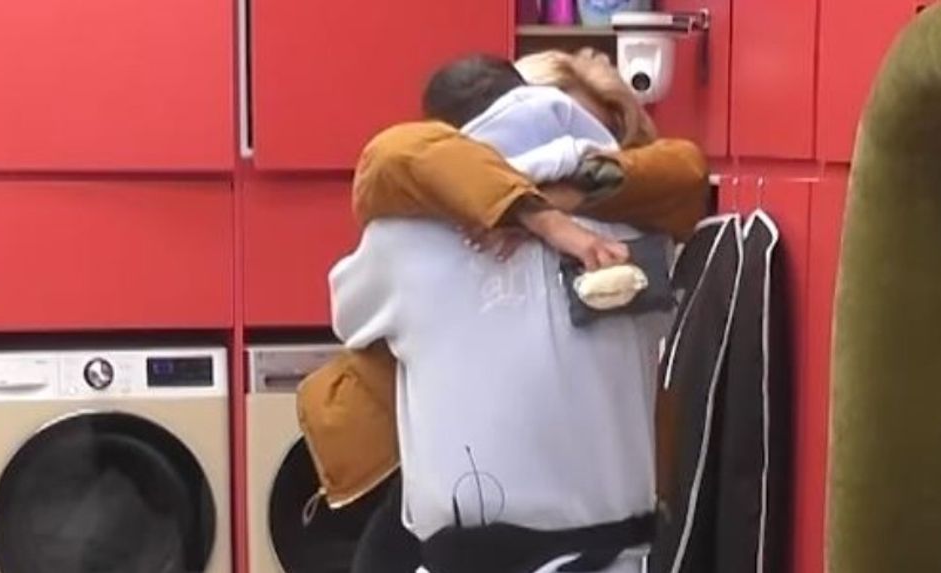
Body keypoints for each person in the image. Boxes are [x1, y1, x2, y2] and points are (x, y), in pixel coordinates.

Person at [296, 49, 710, 572]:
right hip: (622, 554)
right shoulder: (647, 225)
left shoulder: (404, 238)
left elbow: (350, 314)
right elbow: (684, 172)